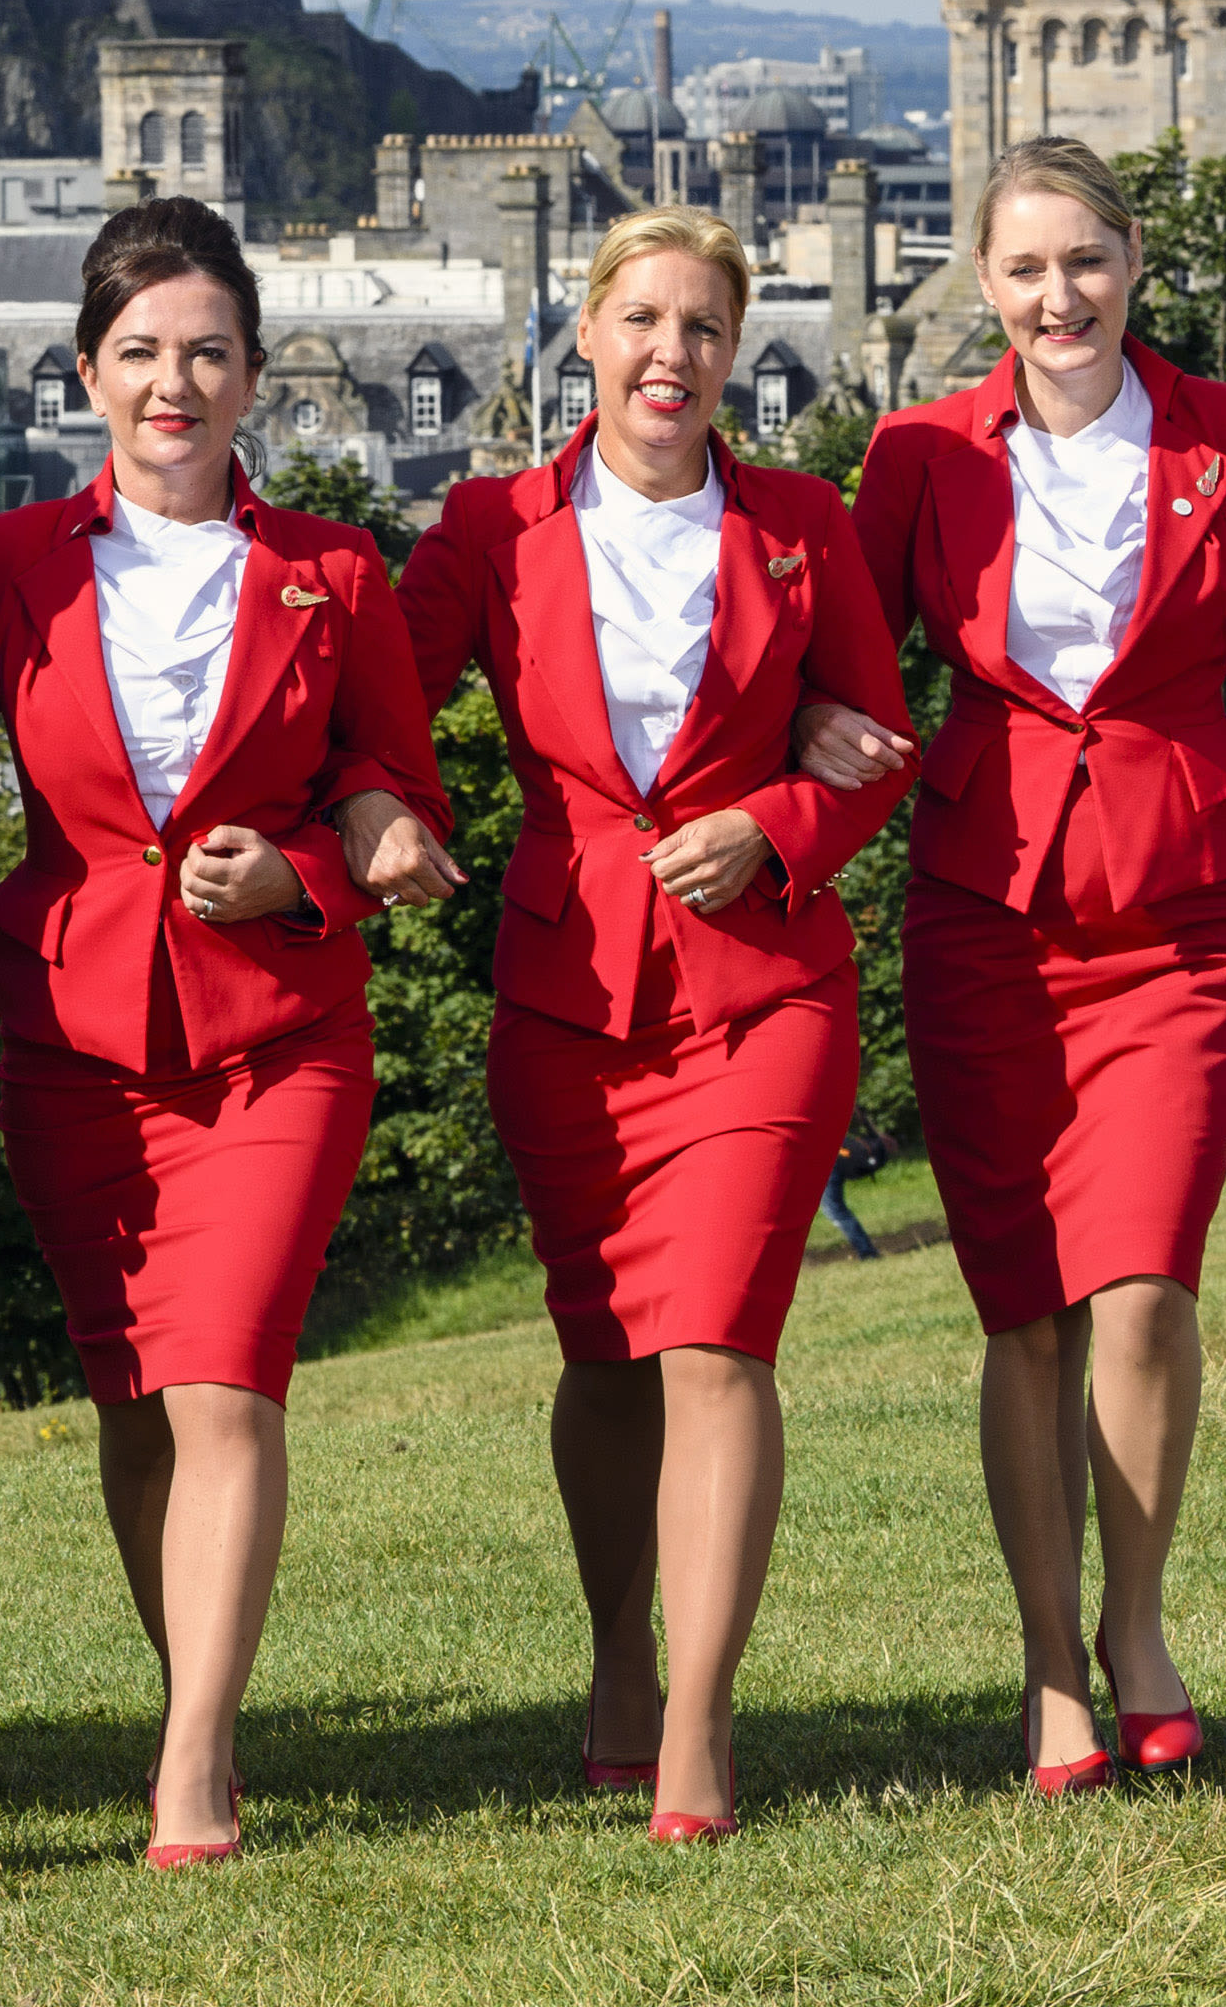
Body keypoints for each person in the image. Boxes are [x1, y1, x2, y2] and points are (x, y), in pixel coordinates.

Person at [801, 135, 1226, 1792]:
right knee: (1026, 1318)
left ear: (1135, 262)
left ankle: (1138, 1624)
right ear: (984, 286)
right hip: (986, 920)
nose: (1058, 296)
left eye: (1085, 261)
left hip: (1183, 921)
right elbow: (846, 676)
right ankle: (1050, 1664)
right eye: (1024, 270)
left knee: (1141, 1283)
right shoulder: (921, 452)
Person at [0, 198, 456, 1868]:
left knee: (224, 1387)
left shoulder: (336, 568)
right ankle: (191, 1689)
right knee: (133, 1397)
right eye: (141, 353)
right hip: (73, 1041)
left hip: (278, 1035)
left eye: (208, 352)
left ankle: (195, 1760)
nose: (175, 383)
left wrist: (308, 870)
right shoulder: (5, 567)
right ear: (86, 374)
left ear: (257, 376)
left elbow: (397, 788)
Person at [395, 206, 914, 1843]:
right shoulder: (489, 528)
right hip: (569, 1003)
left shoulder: (802, 526)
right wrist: (368, 828)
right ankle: (618, 1654)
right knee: (606, 1356)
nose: (671, 354)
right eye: (642, 321)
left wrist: (777, 821)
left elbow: (882, 744)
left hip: (765, 991)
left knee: (717, 1344)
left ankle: (697, 1722)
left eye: (704, 327)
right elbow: (379, 717)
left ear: (737, 351)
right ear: (588, 336)